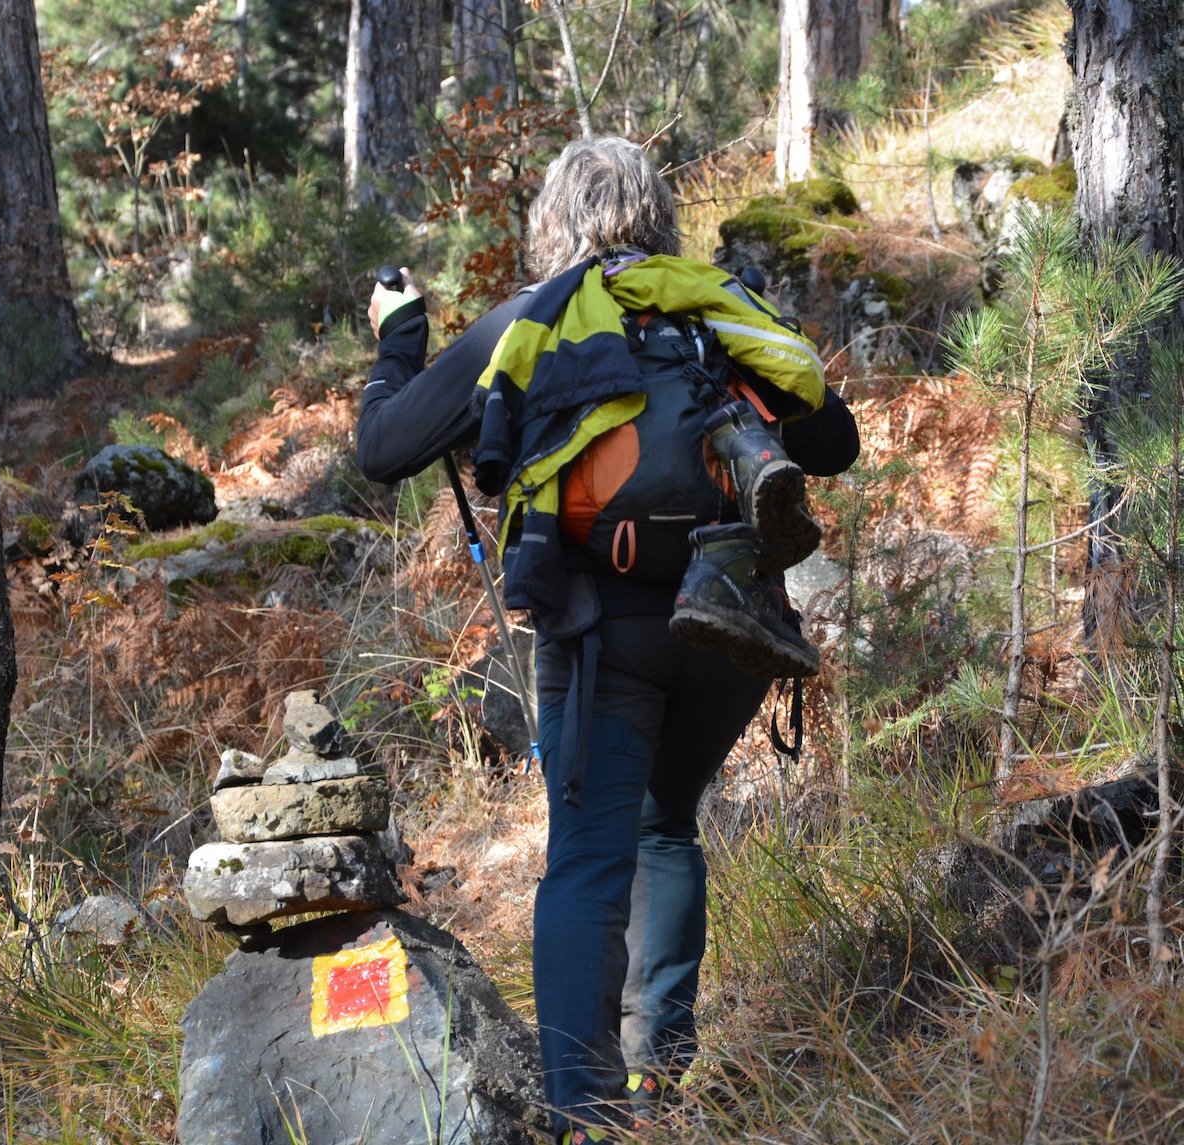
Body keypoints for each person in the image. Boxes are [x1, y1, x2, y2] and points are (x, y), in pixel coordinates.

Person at [358, 136, 859, 1144]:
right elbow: (832, 443)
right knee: (665, 825)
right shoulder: (714, 303)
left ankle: (582, 1114)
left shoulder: (532, 319)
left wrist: (398, 338)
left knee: (587, 862)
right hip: (729, 622)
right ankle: (657, 1085)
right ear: (658, 215)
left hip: (603, 633)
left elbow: (383, 448)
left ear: (552, 222)